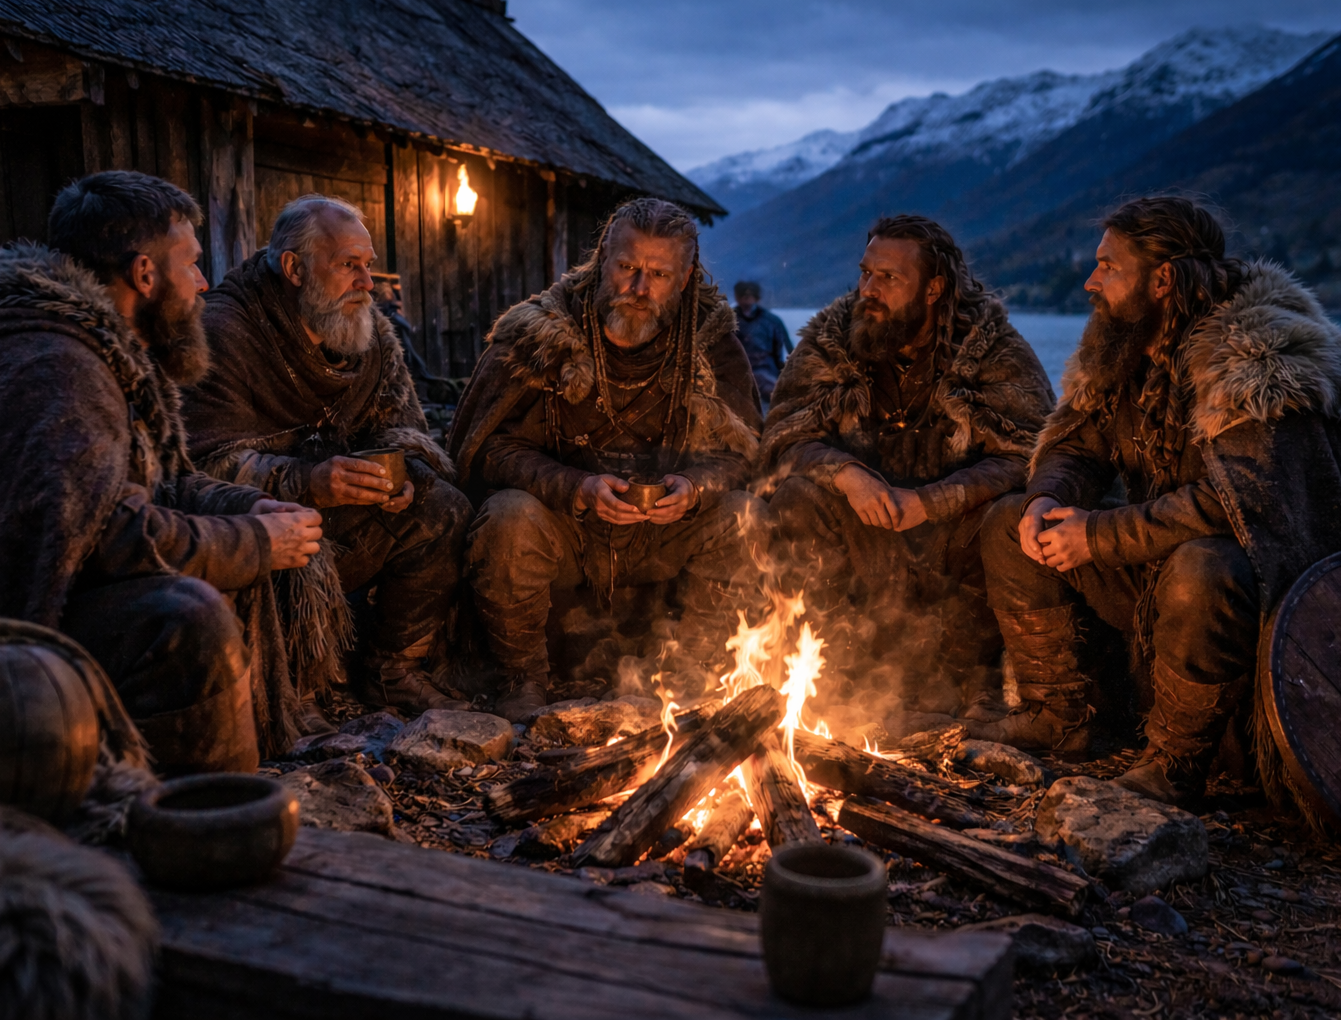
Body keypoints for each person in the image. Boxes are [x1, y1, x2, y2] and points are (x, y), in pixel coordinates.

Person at [970, 195, 1341, 804]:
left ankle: (1177, 762)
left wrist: (1095, 535)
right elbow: (1079, 443)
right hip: (1152, 573)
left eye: (1108, 267)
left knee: (1202, 566)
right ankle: (1065, 717)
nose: (1091, 281)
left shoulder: (1260, 361)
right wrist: (1049, 495)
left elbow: (1239, 502)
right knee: (1009, 521)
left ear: (1163, 278)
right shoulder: (1127, 348)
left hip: (1255, 609)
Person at [0, 170, 325, 772]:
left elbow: (160, 481)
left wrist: (242, 507)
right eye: (190, 264)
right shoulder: (58, 366)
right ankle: (196, 816)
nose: (203, 283)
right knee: (186, 619)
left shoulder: (92, 346)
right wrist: (257, 541)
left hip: (21, 609)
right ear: (144, 274)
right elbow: (111, 535)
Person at [449, 198, 764, 723]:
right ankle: (522, 678)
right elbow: (492, 447)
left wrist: (694, 486)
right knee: (508, 517)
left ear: (684, 279)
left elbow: (740, 454)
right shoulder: (542, 333)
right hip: (567, 531)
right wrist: (574, 486)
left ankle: (688, 674)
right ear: (603, 259)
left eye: (658, 274)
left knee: (744, 517)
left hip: (662, 534)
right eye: (627, 268)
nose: (639, 289)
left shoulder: (710, 343)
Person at [182, 195, 471, 718]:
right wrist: (307, 481)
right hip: (255, 523)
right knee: (289, 535)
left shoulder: (370, 332)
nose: (367, 282)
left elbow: (403, 428)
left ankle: (390, 671)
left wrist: (402, 475)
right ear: (293, 267)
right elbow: (203, 467)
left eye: (367, 265)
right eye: (347, 266)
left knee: (442, 506)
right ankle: (292, 690)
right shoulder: (226, 332)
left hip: (342, 504)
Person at [760, 215, 1054, 714]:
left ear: (934, 288)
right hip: (864, 532)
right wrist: (846, 475)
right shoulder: (833, 339)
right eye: (865, 273)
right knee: (795, 498)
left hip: (952, 543)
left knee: (1009, 515)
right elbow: (784, 436)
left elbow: (1030, 452)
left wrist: (932, 501)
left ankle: (982, 682)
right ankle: (830, 672)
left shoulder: (991, 348)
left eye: (888, 278)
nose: (868, 289)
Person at [734, 280, 790, 412]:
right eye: (743, 296)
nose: (747, 300)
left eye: (750, 296)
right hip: (737, 375)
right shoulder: (728, 319)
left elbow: (789, 350)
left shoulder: (772, 321)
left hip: (767, 374)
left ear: (757, 298)